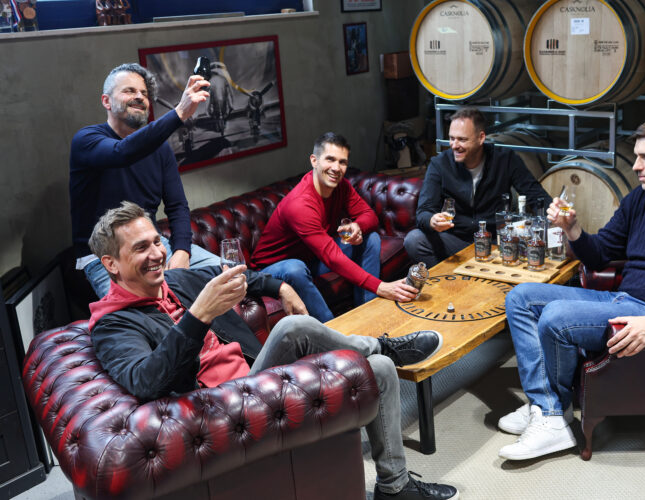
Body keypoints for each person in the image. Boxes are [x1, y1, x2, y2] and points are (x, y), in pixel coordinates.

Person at [88, 202, 459, 500]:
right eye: (141, 248)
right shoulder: (112, 324)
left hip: (255, 382)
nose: (157, 253)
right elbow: (147, 380)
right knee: (292, 328)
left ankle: (394, 486)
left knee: (379, 369)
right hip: (217, 410)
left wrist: (280, 287)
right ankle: (385, 345)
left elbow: (239, 276)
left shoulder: (176, 280)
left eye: (157, 241)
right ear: (111, 265)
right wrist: (199, 314)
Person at [497, 115, 645, 461]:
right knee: (520, 297)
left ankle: (549, 417)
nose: (635, 166)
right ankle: (548, 407)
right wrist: (573, 228)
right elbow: (601, 254)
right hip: (620, 298)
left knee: (556, 316)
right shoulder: (640, 198)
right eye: (636, 157)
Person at [70, 62, 220, 299]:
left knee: (232, 276)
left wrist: (182, 251)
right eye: (129, 91)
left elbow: (177, 206)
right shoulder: (86, 140)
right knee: (148, 313)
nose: (139, 97)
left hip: (156, 247)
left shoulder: (160, 148)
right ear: (106, 101)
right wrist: (179, 113)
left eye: (144, 93)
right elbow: (122, 152)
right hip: (105, 257)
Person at [251, 132, 418, 322]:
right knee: (295, 268)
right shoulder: (300, 204)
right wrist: (382, 287)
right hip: (270, 269)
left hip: (311, 258)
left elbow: (369, 216)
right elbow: (331, 257)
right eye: (330, 159)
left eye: (342, 162)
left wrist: (358, 226)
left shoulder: (341, 187)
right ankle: (332, 330)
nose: (336, 168)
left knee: (370, 238)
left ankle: (369, 313)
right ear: (314, 161)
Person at [404, 107, 551, 268]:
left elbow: (537, 196)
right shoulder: (440, 164)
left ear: (481, 138)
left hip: (496, 244)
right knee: (414, 240)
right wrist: (432, 220)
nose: (454, 145)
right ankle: (447, 279)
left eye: (462, 139)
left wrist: (557, 215)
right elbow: (423, 212)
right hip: (456, 243)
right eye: (451, 138)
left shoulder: (505, 159)